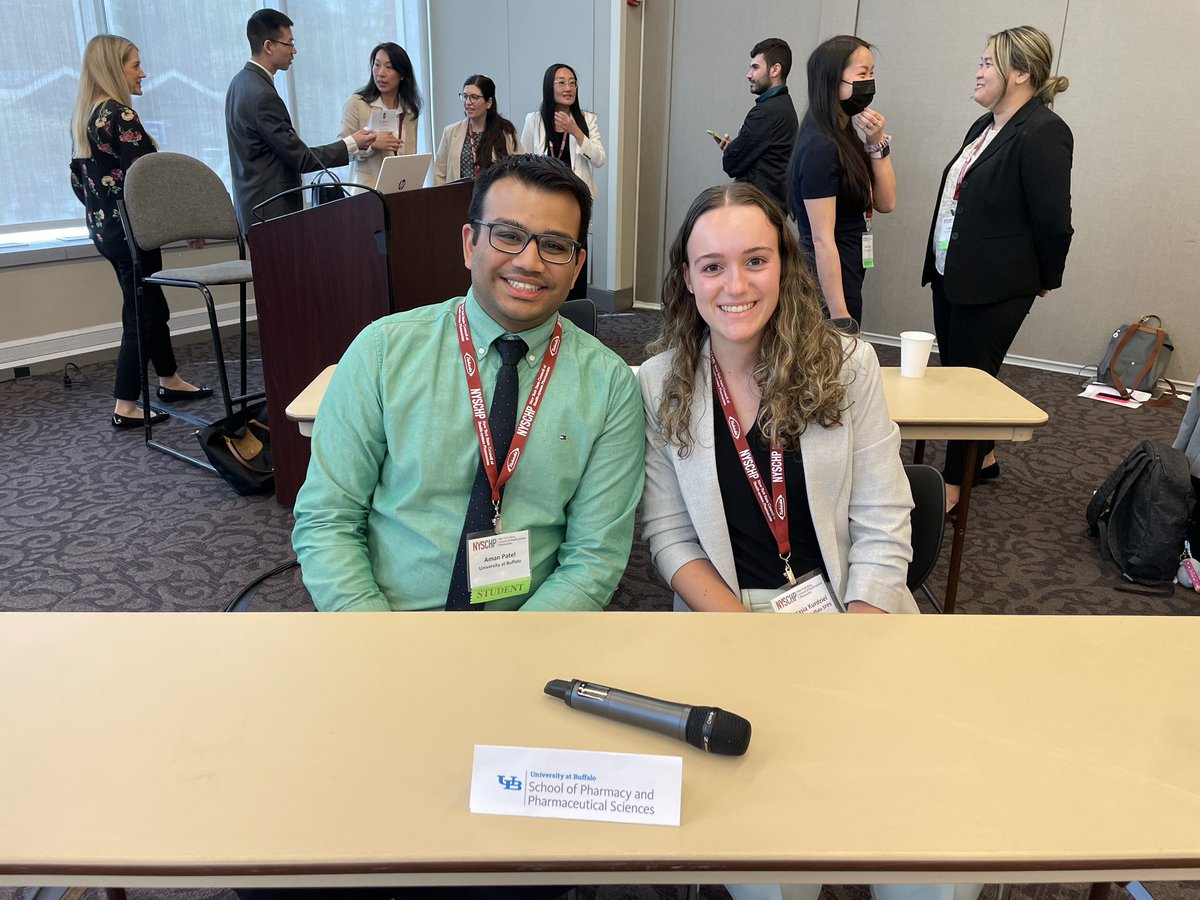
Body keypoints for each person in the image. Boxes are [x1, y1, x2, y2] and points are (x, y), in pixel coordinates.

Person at [640, 183, 982, 900]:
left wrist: (848, 643)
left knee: (933, 858)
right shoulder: (656, 383)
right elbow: (670, 539)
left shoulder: (846, 365)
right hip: (728, 625)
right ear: (686, 279)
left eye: (755, 259)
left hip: (856, 613)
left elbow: (887, 519)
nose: (735, 284)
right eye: (711, 266)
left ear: (785, 264)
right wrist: (752, 641)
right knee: (774, 870)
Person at [292, 154, 644, 613]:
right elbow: (328, 519)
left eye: (555, 246)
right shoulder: (382, 352)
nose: (530, 262)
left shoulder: (610, 385)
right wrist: (376, 641)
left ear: (576, 267)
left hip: (529, 634)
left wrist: (508, 658)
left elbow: (594, 558)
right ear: (468, 243)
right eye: (509, 236)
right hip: (389, 625)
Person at [921, 25, 1073, 511]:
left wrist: (1046, 276)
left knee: (969, 384)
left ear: (1020, 73)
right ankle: (982, 458)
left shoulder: (1046, 131)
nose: (979, 70)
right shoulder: (984, 126)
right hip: (952, 272)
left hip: (997, 283)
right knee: (959, 373)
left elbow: (1053, 219)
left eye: (988, 62)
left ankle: (951, 487)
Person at [69, 34, 211, 429]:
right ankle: (125, 403)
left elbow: (79, 183)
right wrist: (182, 224)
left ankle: (169, 379)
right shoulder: (120, 115)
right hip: (133, 232)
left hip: (107, 232)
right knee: (141, 314)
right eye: (135, 65)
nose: (142, 72)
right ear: (115, 69)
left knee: (151, 305)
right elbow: (146, 182)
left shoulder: (86, 115)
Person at [225, 9, 375, 232]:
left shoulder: (238, 83)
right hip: (272, 212)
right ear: (268, 46)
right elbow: (301, 158)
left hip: (253, 208)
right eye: (289, 43)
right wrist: (351, 143)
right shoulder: (262, 95)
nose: (294, 50)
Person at [788, 35, 896, 331]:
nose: (870, 82)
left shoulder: (844, 133)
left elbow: (886, 202)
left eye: (872, 73)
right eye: (862, 74)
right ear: (831, 81)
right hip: (826, 275)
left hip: (848, 263)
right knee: (831, 357)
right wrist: (840, 316)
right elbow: (822, 240)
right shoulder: (820, 146)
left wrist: (876, 143)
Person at [520, 63, 605, 299]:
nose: (568, 87)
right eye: (561, 82)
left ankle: (576, 305)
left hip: (575, 201)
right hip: (543, 201)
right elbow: (524, 160)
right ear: (550, 87)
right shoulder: (534, 120)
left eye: (573, 82)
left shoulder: (586, 119)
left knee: (575, 253)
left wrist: (575, 130)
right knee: (546, 252)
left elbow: (599, 158)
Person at [716, 38, 797, 209]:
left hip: (759, 209)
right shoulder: (784, 106)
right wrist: (736, 149)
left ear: (775, 70)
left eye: (755, 67)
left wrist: (732, 151)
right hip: (771, 207)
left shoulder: (766, 113)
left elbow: (731, 165)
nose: (749, 74)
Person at [340, 41, 422, 187]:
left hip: (400, 190)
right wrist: (371, 145)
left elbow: (410, 155)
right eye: (377, 65)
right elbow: (342, 150)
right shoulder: (357, 103)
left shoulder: (409, 111)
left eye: (389, 67)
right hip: (366, 192)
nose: (380, 73)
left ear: (402, 74)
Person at [434, 74, 522, 185]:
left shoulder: (506, 131)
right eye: (465, 96)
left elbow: (520, 170)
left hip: (494, 199)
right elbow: (439, 175)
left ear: (489, 103)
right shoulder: (450, 132)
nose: (468, 102)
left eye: (474, 97)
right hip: (457, 198)